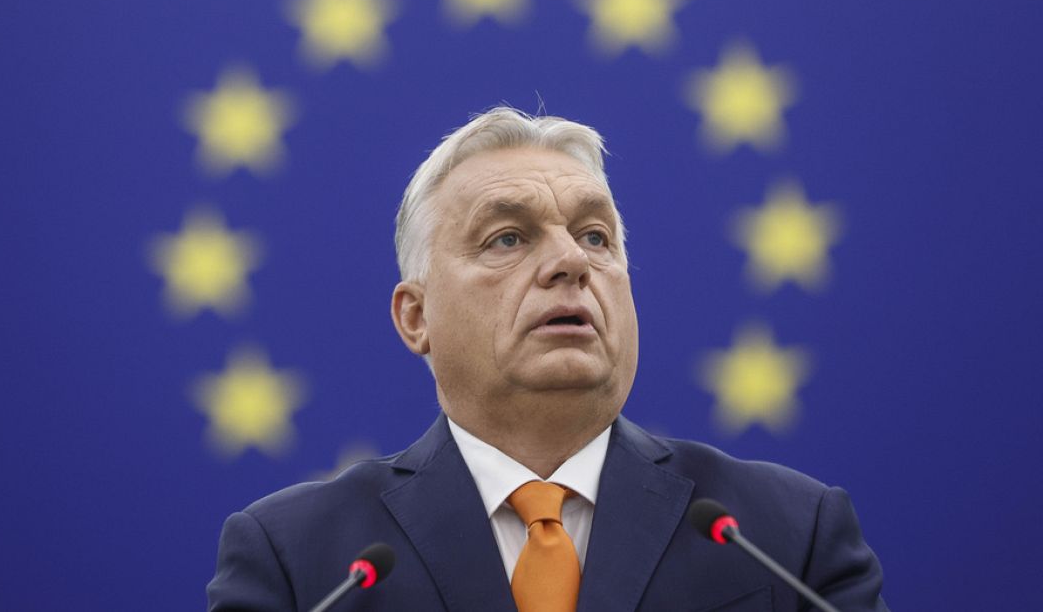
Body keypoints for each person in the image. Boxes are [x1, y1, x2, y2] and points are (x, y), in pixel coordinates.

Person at [207, 107, 888, 611]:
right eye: (507, 238)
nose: (570, 261)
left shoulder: (785, 535)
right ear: (418, 317)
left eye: (596, 235)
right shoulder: (301, 561)